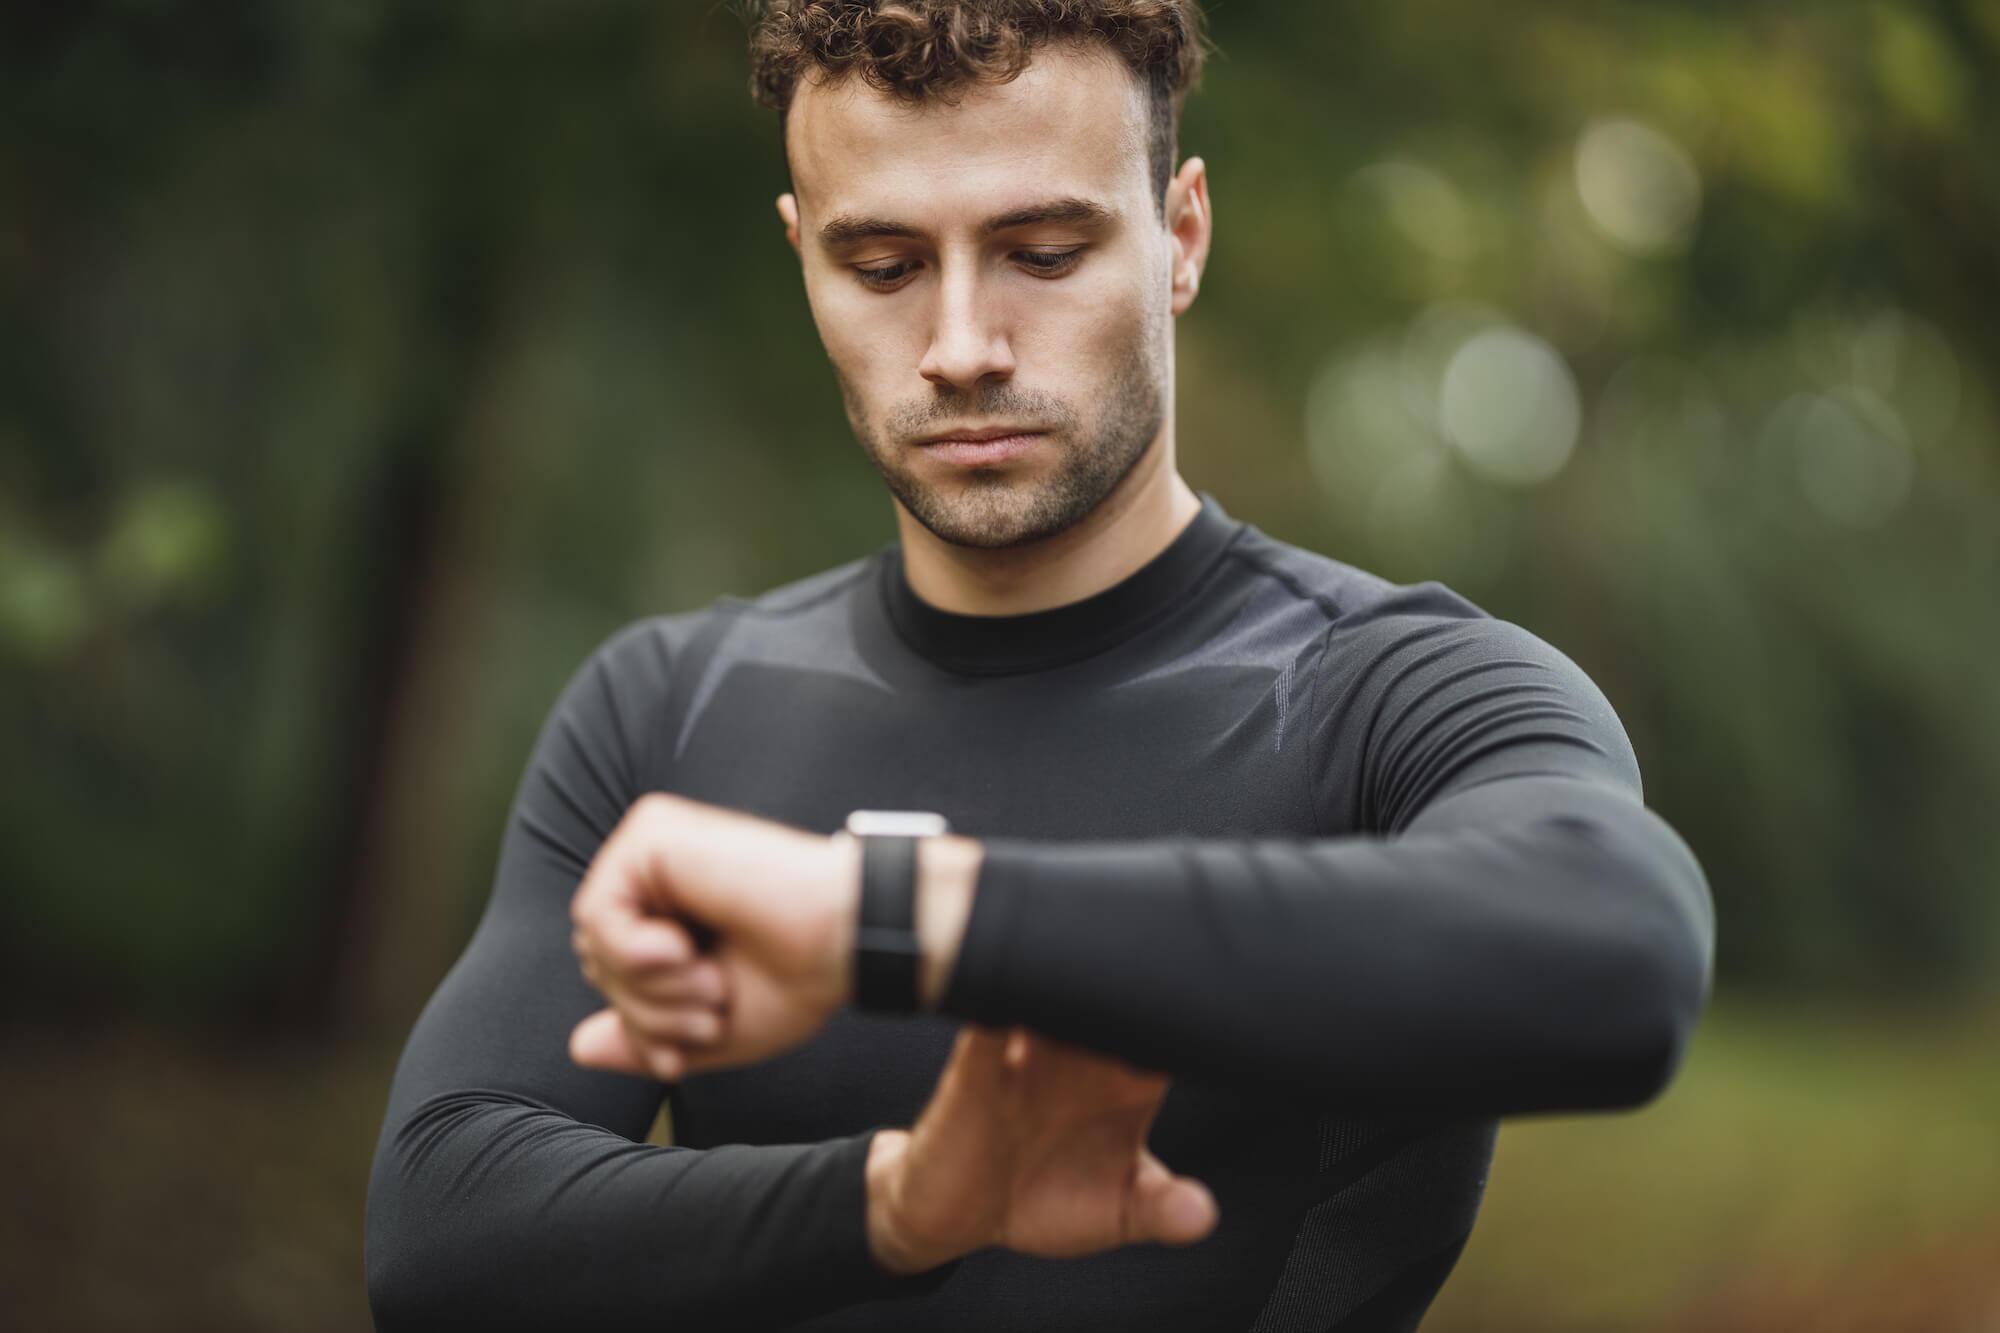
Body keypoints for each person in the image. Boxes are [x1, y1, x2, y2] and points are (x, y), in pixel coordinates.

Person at [363, 2, 1717, 1329]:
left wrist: (889, 921)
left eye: (1045, 251)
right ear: (801, 252)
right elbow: (440, 1229)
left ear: (1179, 235)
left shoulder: (1390, 693)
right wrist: (901, 1204)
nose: (960, 348)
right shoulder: (667, 706)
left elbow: (1621, 950)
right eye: (883, 266)